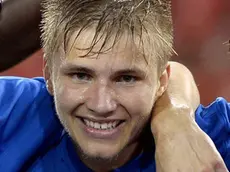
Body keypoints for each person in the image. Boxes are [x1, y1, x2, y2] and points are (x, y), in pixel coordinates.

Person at [0, 0, 229, 172]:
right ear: (48, 74)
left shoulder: (216, 142)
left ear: (162, 82)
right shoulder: (11, 113)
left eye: (126, 79)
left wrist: (175, 116)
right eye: (81, 75)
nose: (102, 105)